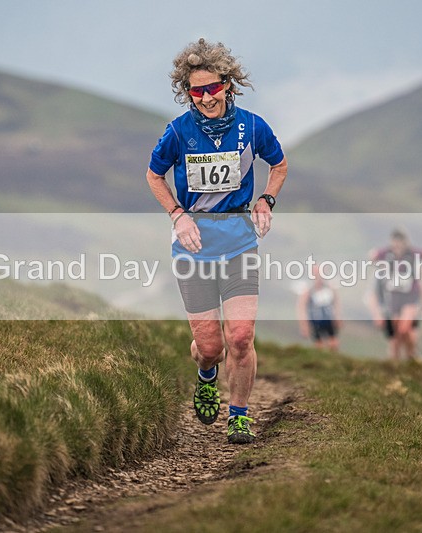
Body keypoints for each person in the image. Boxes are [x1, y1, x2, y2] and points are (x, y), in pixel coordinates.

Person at [145, 39, 288, 444]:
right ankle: (207, 374)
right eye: (197, 90)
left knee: (240, 337)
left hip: (240, 244)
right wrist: (178, 215)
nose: (206, 98)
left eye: (213, 88)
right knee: (210, 347)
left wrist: (266, 199)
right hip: (193, 250)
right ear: (187, 92)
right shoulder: (177, 132)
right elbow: (154, 175)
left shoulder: (253, 126)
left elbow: (278, 164)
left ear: (228, 84)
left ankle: (239, 416)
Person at [367, 228, 422, 362]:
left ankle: (411, 355)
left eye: (400, 243)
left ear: (405, 243)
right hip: (393, 301)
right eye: (394, 243)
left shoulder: (412, 253)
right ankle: (405, 360)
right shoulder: (387, 254)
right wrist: (384, 270)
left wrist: (421, 274)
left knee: (404, 329)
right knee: (397, 339)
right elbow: (372, 256)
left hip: (410, 299)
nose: (397, 247)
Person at [297, 265, 341, 351]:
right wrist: (304, 325)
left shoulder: (329, 288)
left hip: (329, 321)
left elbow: (336, 303)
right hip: (316, 322)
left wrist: (338, 317)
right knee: (318, 345)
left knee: (333, 343)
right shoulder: (308, 291)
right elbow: (301, 307)